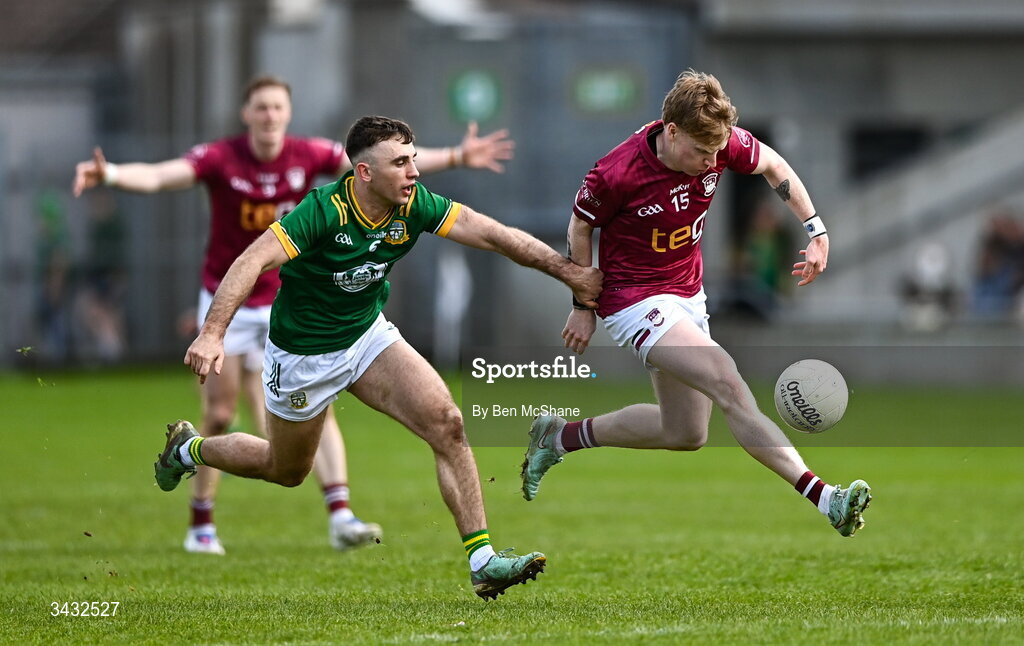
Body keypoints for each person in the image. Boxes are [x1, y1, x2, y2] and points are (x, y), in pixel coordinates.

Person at [156, 115, 601, 599]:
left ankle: (483, 560)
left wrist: (568, 273)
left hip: (367, 336)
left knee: (447, 422)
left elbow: (492, 234)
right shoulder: (323, 211)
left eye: (414, 159)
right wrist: (212, 332)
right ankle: (188, 450)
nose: (414, 172)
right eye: (401, 163)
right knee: (284, 470)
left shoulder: (415, 205)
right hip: (303, 355)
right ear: (364, 173)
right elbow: (252, 259)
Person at [72, 76, 517, 555]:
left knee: (362, 415)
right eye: (261, 108)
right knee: (225, 416)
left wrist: (455, 156)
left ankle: (342, 514)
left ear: (288, 113)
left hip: (304, 298)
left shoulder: (311, 154)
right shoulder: (222, 157)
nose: (270, 116)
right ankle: (199, 507)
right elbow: (163, 176)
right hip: (237, 296)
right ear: (247, 115)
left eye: (278, 108)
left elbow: (385, 160)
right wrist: (114, 175)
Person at [520, 69, 872, 538]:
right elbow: (579, 227)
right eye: (701, 151)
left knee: (686, 433)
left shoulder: (718, 142)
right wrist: (582, 304)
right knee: (728, 381)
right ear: (672, 131)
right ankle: (826, 498)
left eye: (716, 152)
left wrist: (816, 229)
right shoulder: (616, 173)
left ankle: (558, 438)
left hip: (687, 292)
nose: (711, 161)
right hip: (633, 298)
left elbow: (774, 166)